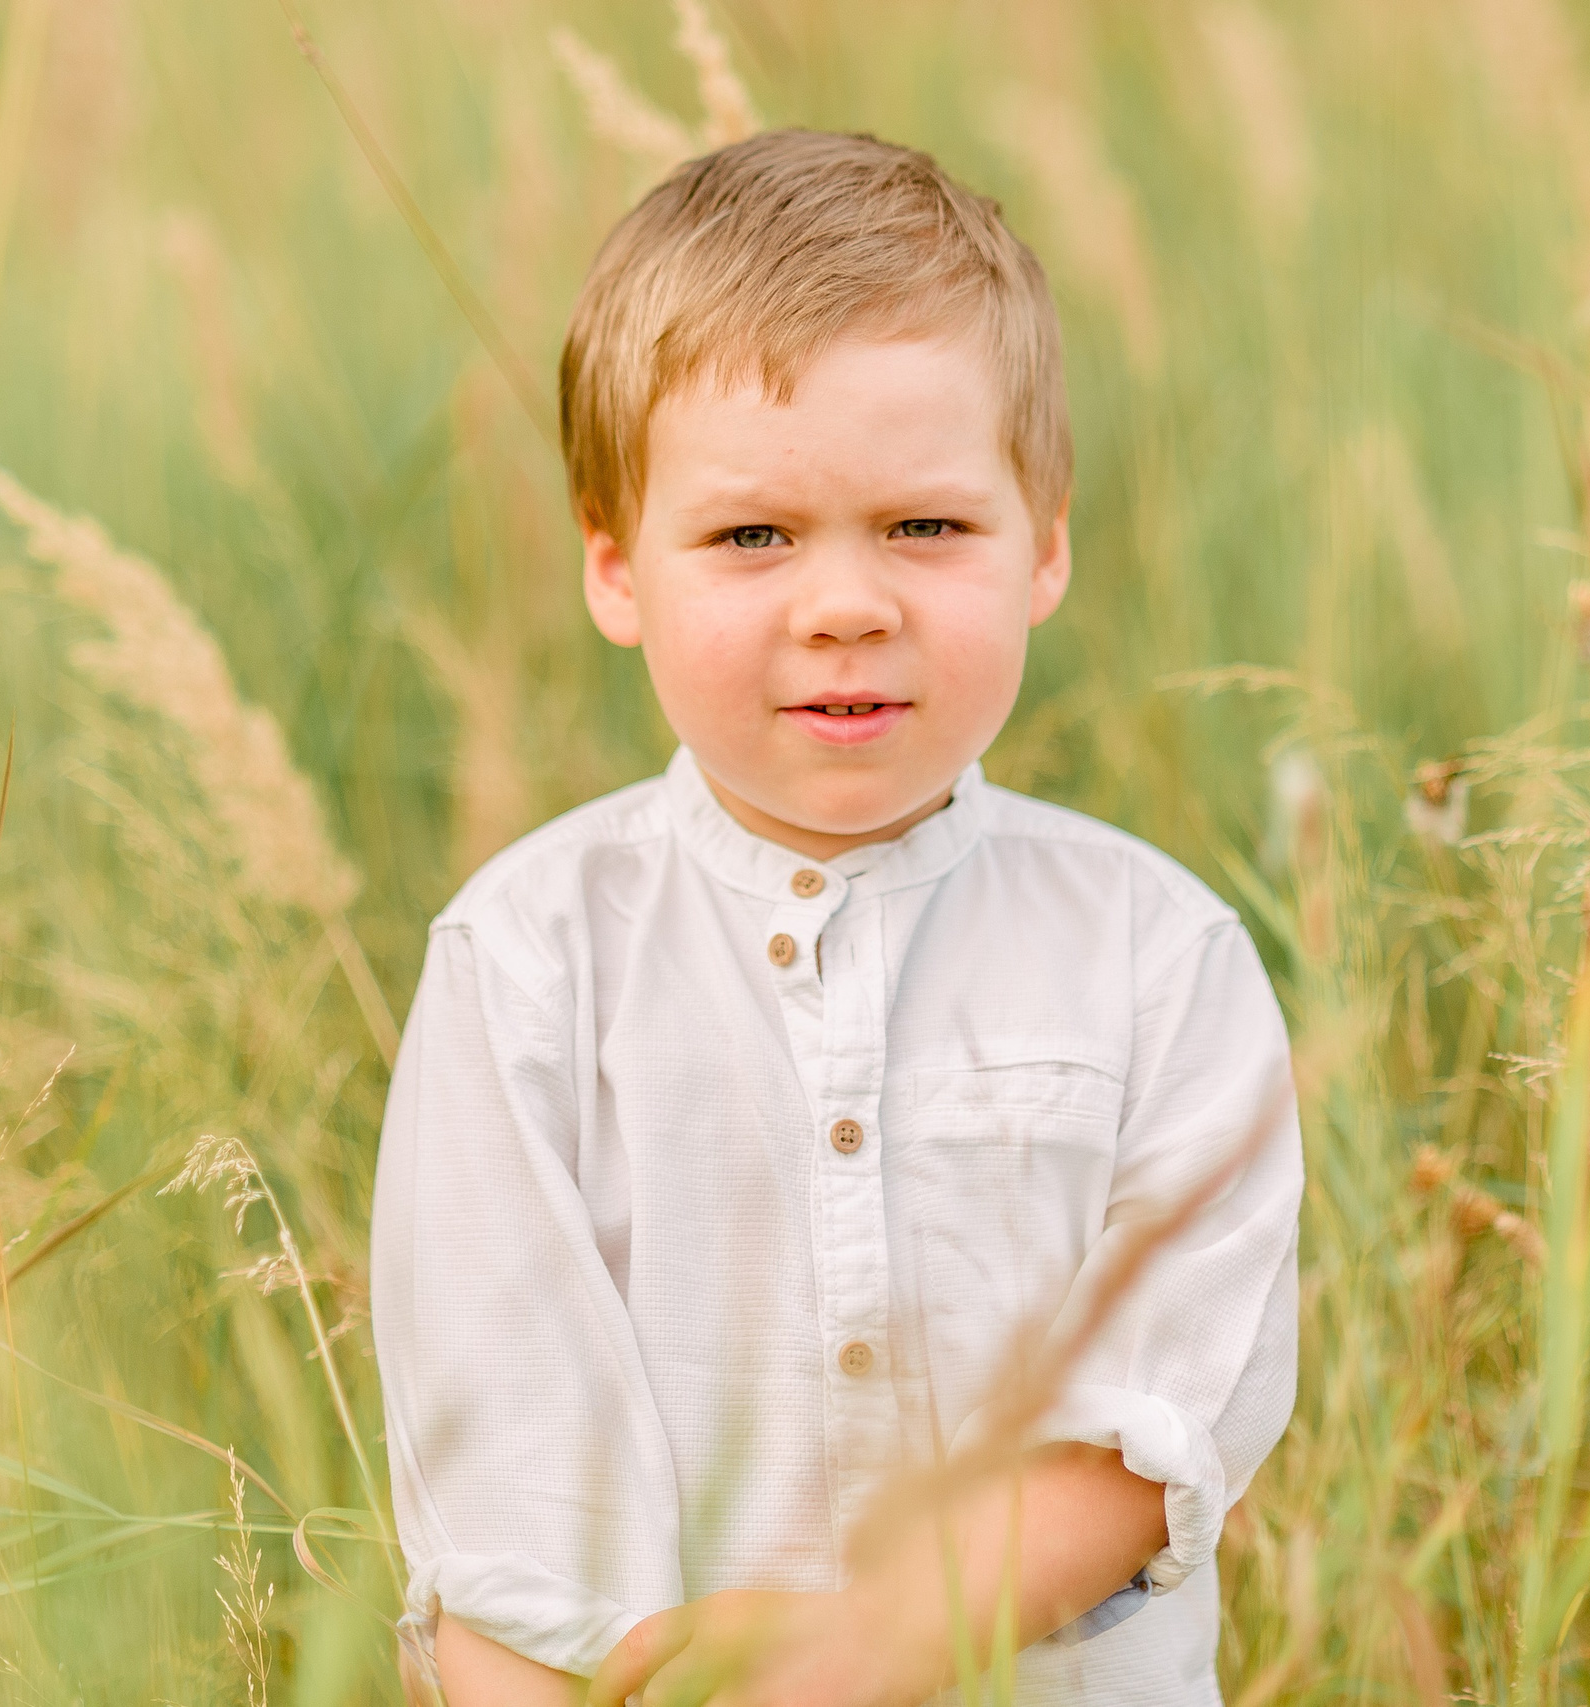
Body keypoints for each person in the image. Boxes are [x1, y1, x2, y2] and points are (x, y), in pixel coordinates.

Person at [370, 128, 1303, 1707]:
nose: (845, 602)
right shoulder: (527, 963)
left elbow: (1158, 1424)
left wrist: (849, 1662)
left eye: (925, 527)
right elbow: (506, 1507)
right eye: (752, 537)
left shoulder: (1160, 959)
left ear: (1047, 543)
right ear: (614, 566)